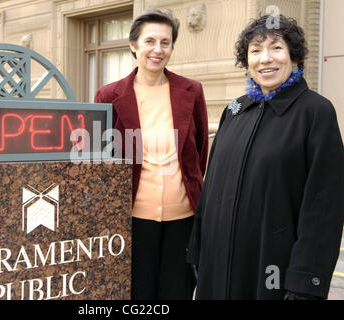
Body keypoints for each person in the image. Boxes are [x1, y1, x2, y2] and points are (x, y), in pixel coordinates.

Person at [187, 14, 344, 300]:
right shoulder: (234, 110)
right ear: (247, 61)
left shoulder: (316, 113)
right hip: (216, 271)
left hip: (274, 278)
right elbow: (210, 191)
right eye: (256, 50)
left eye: (276, 48)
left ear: (293, 56)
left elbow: (324, 208)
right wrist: (197, 254)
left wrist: (305, 284)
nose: (265, 59)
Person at [95, 8, 208, 300]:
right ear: (133, 45)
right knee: (137, 292)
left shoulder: (191, 90)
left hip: (183, 217)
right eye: (149, 41)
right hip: (132, 217)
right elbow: (101, 159)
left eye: (165, 42)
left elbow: (199, 150)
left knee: (178, 291)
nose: (158, 50)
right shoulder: (108, 95)